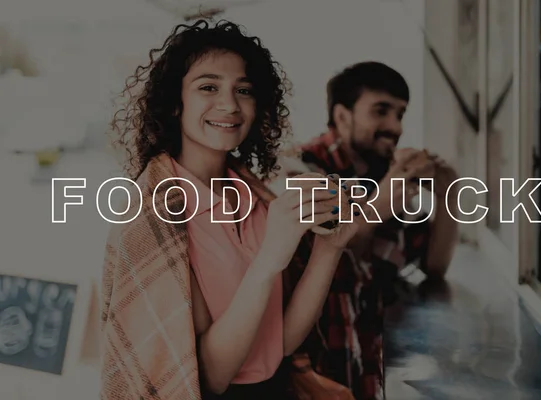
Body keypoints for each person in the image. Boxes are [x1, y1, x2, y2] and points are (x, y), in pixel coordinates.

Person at [100, 19, 359, 400]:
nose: (230, 104)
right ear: (175, 103)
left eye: (244, 90)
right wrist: (271, 255)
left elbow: (279, 345)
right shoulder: (152, 218)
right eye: (208, 87)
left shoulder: (257, 198)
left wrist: (329, 248)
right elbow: (211, 378)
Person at [274, 61, 460, 399]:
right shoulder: (299, 169)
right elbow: (321, 251)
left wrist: (449, 192)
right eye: (381, 111)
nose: (394, 126)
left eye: (400, 114)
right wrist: (377, 206)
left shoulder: (385, 176)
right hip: (313, 377)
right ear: (343, 116)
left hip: (365, 367)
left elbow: (435, 266)